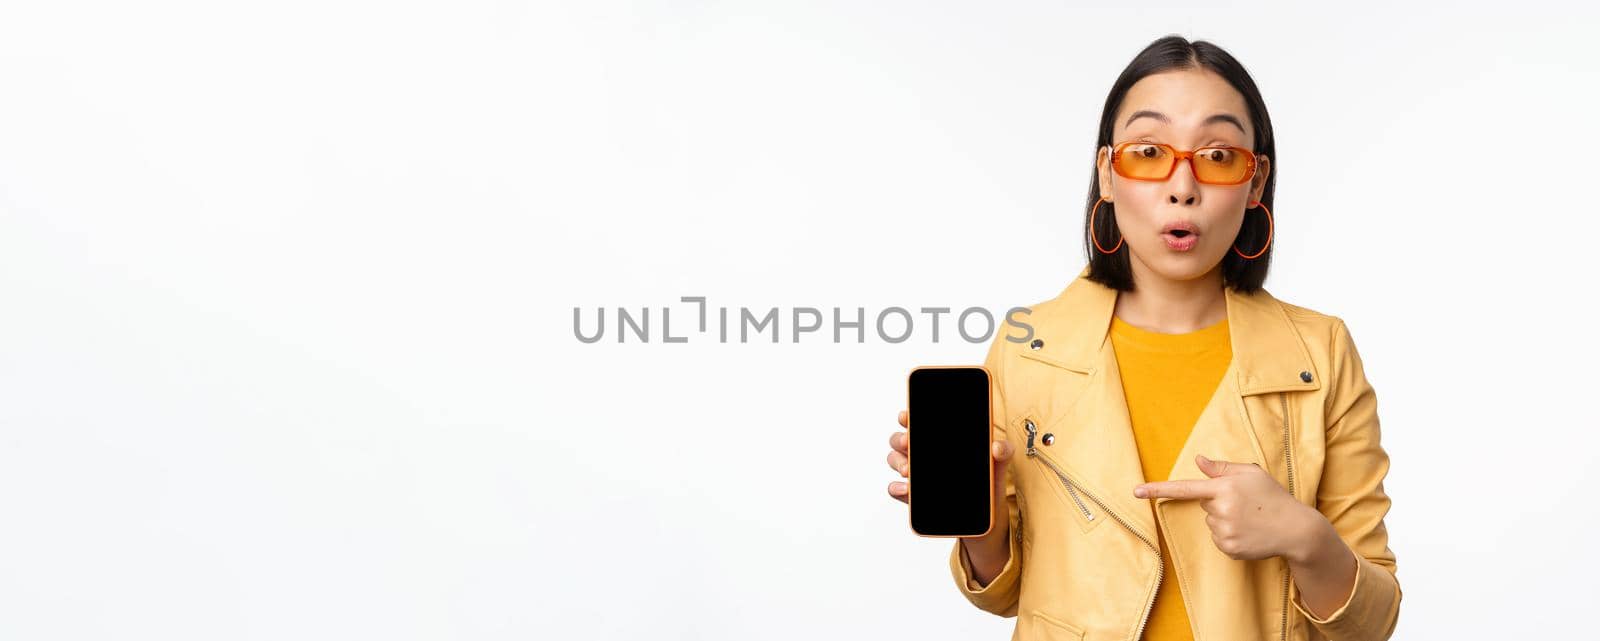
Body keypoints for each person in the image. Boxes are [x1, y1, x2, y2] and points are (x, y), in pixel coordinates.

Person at [885, 35, 1401, 640]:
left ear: (1255, 182)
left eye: (1217, 155)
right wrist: (984, 522)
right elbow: (1004, 593)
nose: (1182, 186)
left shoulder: (1322, 352)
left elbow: (1374, 621)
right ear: (1107, 172)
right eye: (1150, 151)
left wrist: (1304, 537)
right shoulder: (1029, 345)